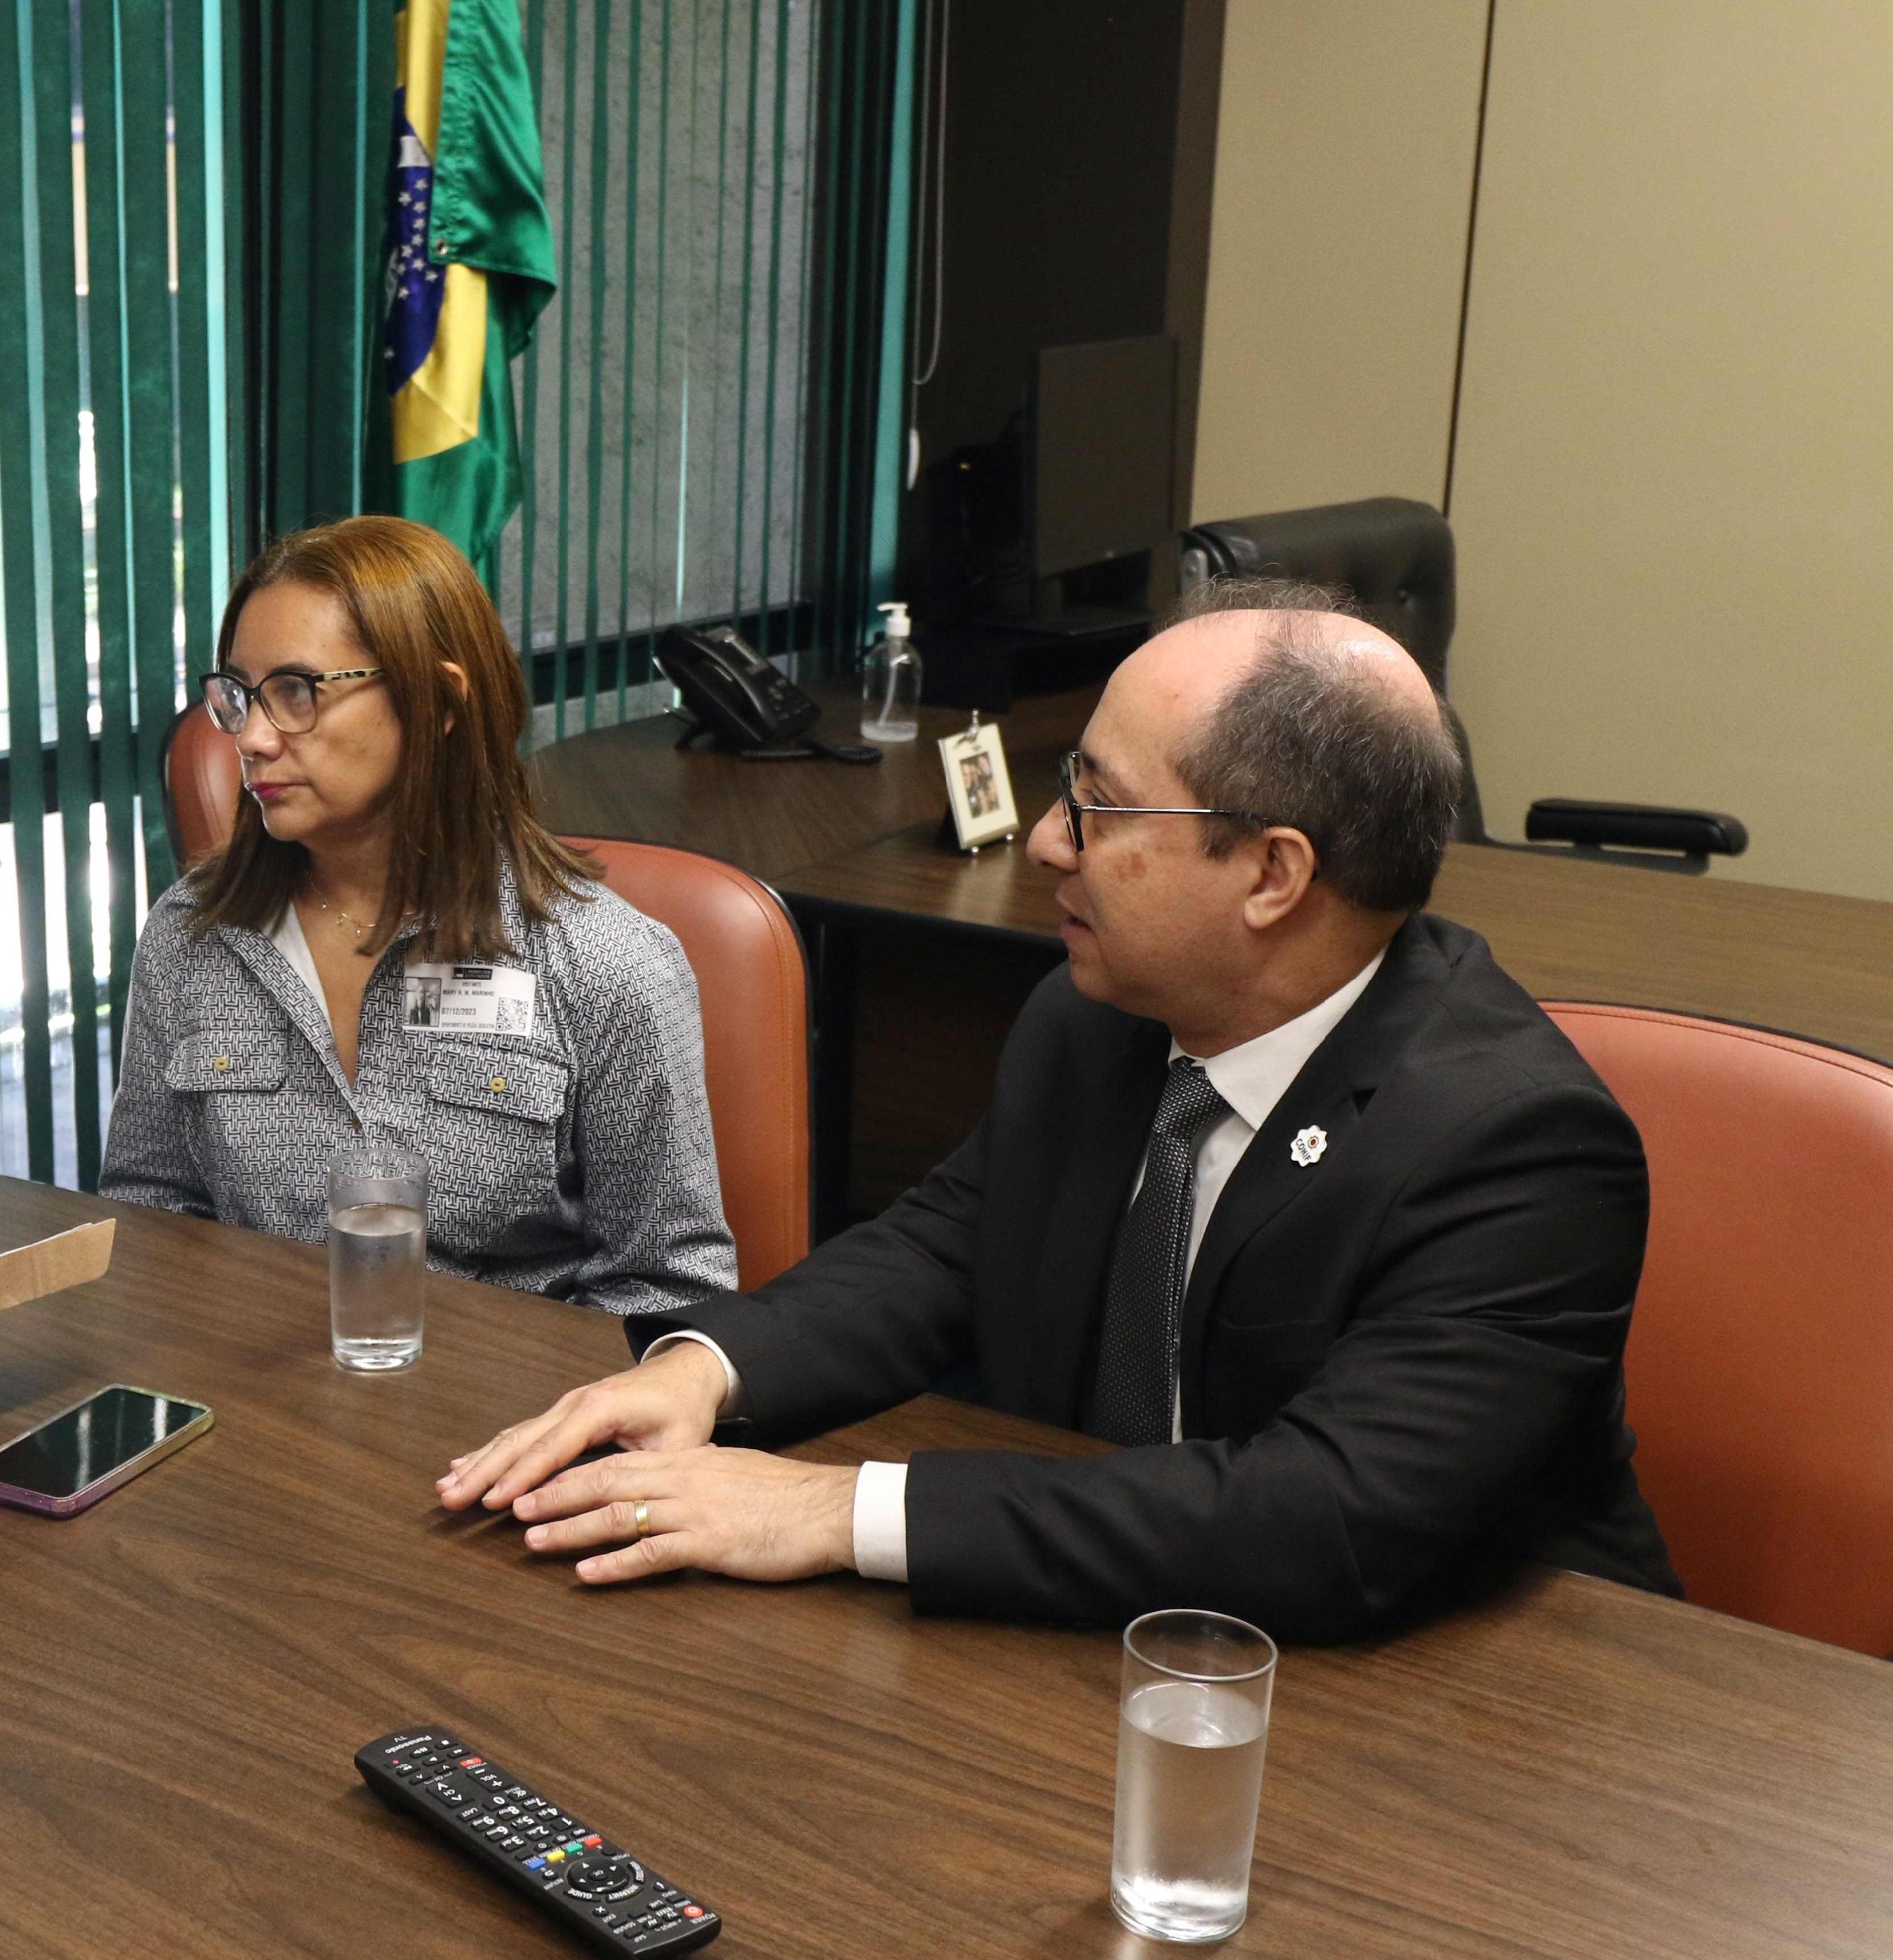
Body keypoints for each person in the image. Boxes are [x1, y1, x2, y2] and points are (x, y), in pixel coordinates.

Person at [437, 576, 1681, 1642]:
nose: (1042, 841)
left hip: (1481, 1709)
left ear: (1270, 873)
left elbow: (1325, 1517)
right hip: (1122, 1629)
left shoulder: (1513, 1147)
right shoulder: (1094, 1019)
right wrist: (707, 1373)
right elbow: (941, 1246)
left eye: (1096, 804)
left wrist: (833, 1510)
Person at [99, 516, 736, 1312]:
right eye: (239, 695)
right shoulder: (190, 934)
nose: (253, 738)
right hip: (256, 1408)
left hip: (508, 1423)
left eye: (296, 692)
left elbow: (670, 1287)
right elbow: (149, 1221)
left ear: (437, 701)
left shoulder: (607, 962)